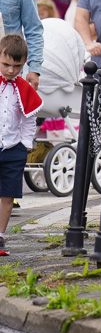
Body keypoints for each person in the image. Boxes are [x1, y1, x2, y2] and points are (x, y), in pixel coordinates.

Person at [0, 33, 43, 255]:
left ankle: (0, 236)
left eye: (16, 66)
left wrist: (25, 145)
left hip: (13, 148)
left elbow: (29, 119)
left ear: (23, 64)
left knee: (8, 194)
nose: (10, 70)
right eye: (6, 64)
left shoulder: (23, 89)